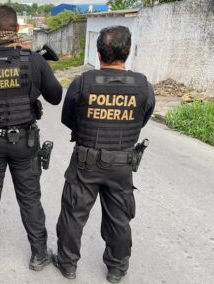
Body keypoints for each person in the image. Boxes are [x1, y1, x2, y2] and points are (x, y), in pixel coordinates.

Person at [0, 5, 63, 271]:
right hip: (24, 143)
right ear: (17, 30)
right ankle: (39, 254)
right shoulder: (33, 61)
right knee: (30, 198)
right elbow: (55, 96)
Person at [52, 26, 155, 283]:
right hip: (122, 163)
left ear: (98, 54)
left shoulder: (83, 82)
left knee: (74, 214)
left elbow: (68, 119)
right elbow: (142, 119)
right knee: (119, 218)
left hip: (86, 161)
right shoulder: (143, 86)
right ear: (128, 52)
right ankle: (117, 269)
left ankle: (67, 265)